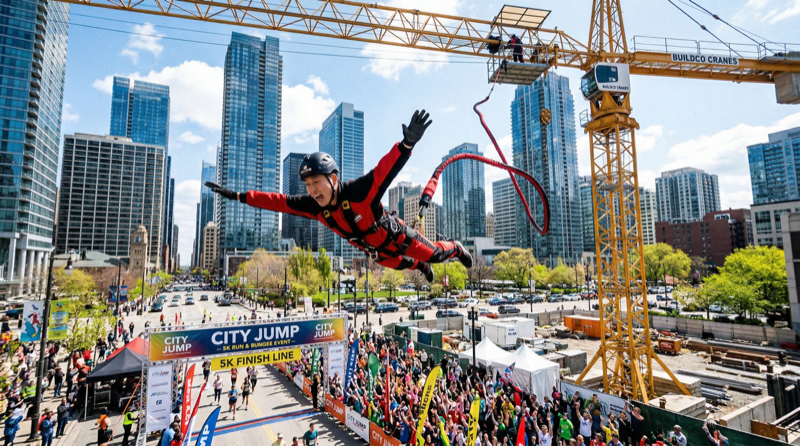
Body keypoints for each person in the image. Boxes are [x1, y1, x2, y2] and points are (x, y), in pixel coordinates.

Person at [206, 110, 473, 283]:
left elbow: (385, 170)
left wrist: (406, 144)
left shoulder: (358, 191)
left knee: (435, 255)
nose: (312, 190)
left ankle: (457, 248)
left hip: (397, 236)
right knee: (404, 265)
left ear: (333, 179)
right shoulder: (314, 207)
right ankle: (421, 267)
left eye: (316, 182)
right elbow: (277, 202)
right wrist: (238, 196)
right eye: (307, 185)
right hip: (378, 253)